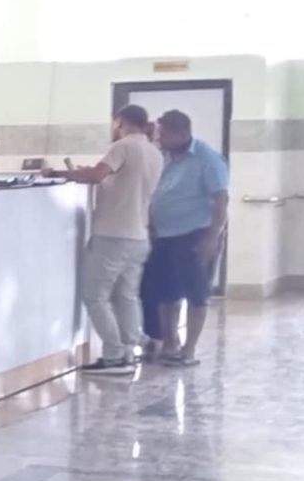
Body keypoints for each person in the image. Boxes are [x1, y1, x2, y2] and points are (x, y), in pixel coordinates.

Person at [60, 105, 163, 375]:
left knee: (95, 295)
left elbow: (96, 176)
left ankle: (114, 355)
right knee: (126, 296)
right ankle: (129, 351)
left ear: (119, 122)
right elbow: (120, 182)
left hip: (112, 235)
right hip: (138, 236)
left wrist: (60, 174)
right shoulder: (153, 151)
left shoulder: (123, 146)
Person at [142, 109, 230, 367]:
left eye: (165, 135)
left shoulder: (207, 158)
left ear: (183, 134)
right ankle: (171, 344)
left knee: (196, 292)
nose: (160, 139)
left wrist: (212, 237)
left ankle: (189, 350)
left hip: (196, 234)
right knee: (165, 291)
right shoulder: (164, 155)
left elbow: (221, 199)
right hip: (164, 235)